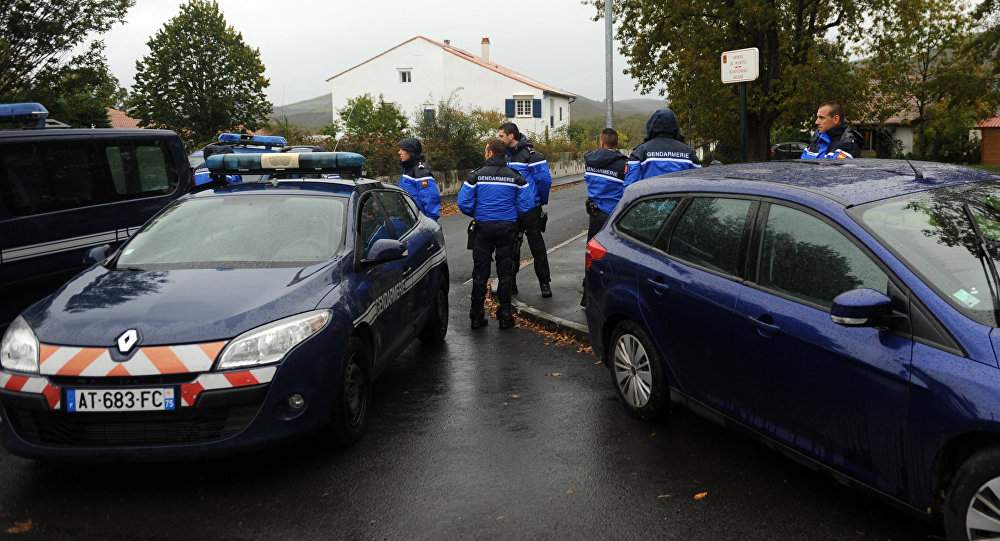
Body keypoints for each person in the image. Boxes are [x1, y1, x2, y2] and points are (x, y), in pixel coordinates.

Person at [458, 138, 535, 330]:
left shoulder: (476, 176)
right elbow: (527, 203)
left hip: (483, 228)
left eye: (486, 150)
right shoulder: (515, 176)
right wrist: (511, 215)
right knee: (505, 272)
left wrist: (479, 213)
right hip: (506, 229)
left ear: (491, 153)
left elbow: (464, 203)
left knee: (480, 273)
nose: (485, 153)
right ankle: (506, 316)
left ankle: (476, 316)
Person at [498, 122, 553, 297]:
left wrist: (540, 201)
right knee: (512, 247)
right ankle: (511, 284)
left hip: (530, 209)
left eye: (501, 136)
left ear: (511, 136)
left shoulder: (532, 156)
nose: (498, 139)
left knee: (537, 247)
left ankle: (545, 284)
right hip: (512, 209)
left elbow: (545, 181)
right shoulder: (505, 157)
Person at [581, 128, 628, 306]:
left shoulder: (590, 160)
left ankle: (587, 294)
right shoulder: (623, 164)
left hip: (594, 214)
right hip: (614, 217)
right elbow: (627, 190)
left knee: (591, 255)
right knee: (615, 257)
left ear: (601, 143)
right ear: (618, 144)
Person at [625, 108, 700, 187]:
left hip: (650, 198)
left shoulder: (640, 151)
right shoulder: (689, 152)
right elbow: (699, 182)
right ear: (675, 126)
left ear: (651, 125)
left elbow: (630, 186)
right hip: (680, 198)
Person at [396, 137, 441, 220]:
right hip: (409, 220)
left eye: (402, 149)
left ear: (411, 151)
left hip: (419, 223)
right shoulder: (408, 169)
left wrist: (429, 224)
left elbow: (430, 200)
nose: (399, 152)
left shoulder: (420, 171)